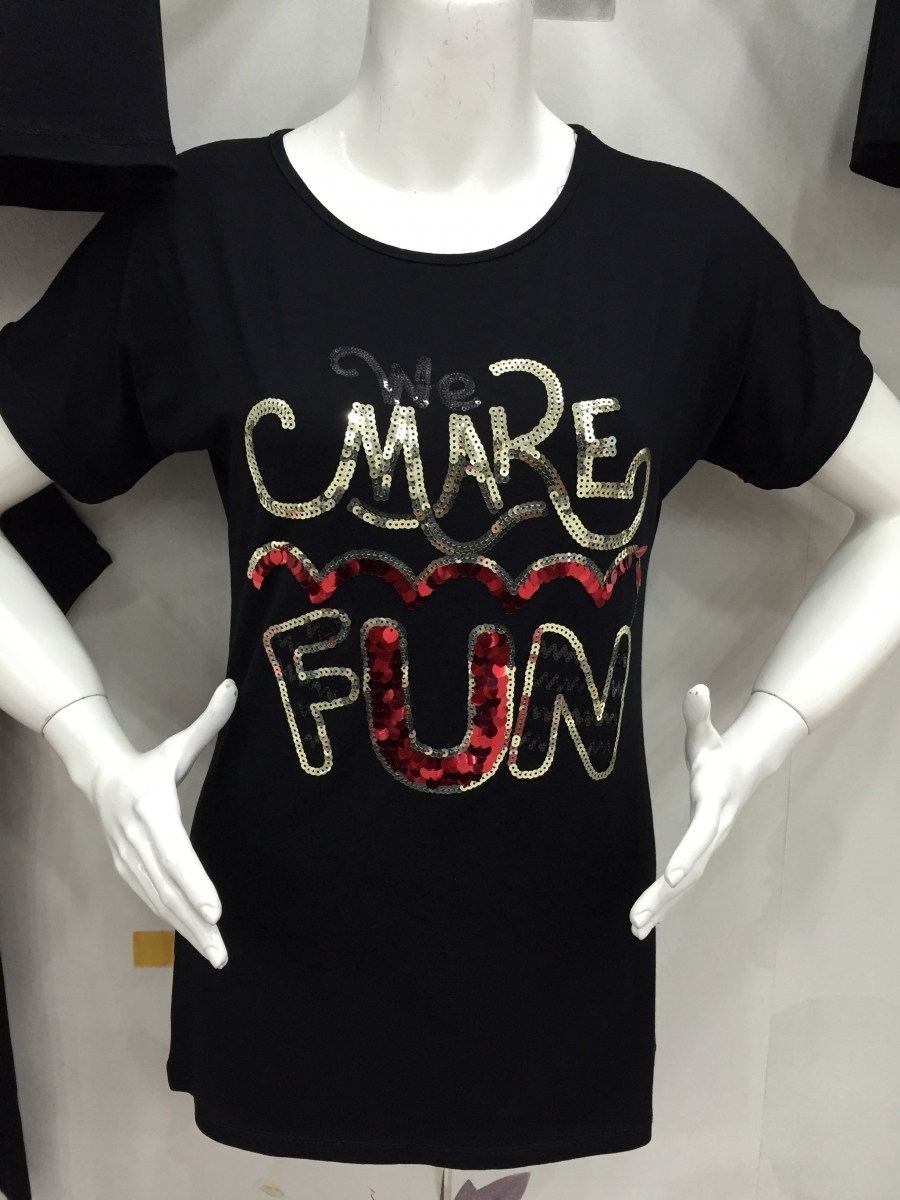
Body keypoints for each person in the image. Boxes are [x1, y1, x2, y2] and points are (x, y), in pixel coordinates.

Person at [0, 0, 897, 1172]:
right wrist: (90, 748)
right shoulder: (209, 232)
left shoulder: (684, 252)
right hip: (281, 937)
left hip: (561, 957)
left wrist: (765, 739)